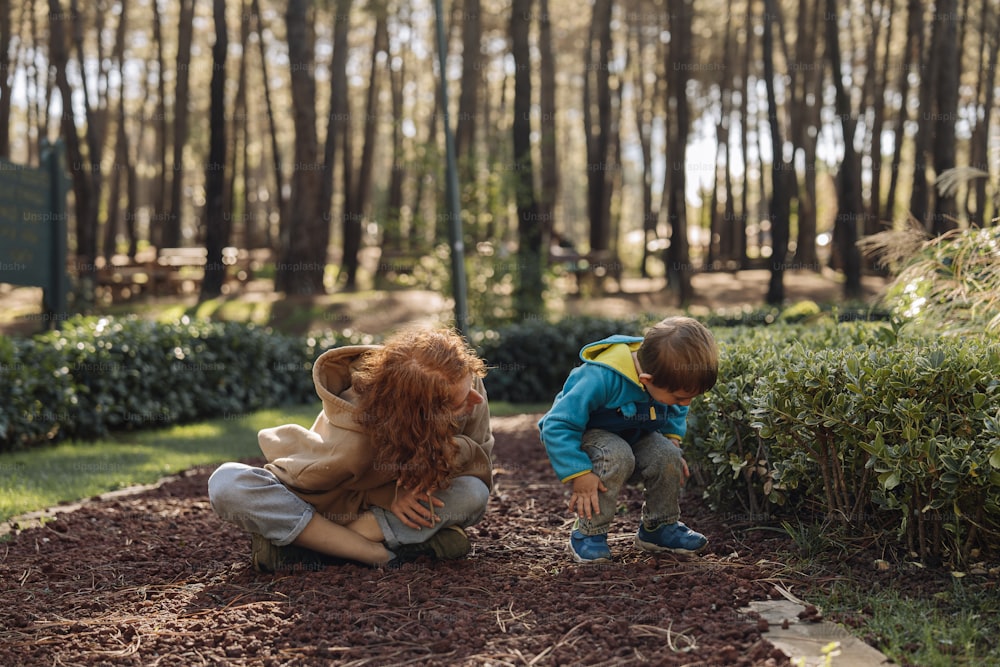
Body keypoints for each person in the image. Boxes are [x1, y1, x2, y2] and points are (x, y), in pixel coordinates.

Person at [208, 326, 494, 572]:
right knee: (227, 482)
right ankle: (373, 553)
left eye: (470, 384)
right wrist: (388, 495)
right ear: (419, 416)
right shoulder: (352, 440)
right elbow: (306, 489)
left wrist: (420, 478)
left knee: (472, 493)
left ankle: (308, 548)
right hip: (333, 502)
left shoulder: (464, 382)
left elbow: (478, 463)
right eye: (458, 402)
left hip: (383, 512)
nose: (475, 400)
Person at [538, 316, 718, 563]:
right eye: (679, 397)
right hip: (587, 437)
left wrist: (672, 441)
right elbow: (557, 424)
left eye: (691, 398)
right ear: (646, 381)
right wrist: (578, 472)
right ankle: (589, 534)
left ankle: (659, 528)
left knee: (667, 454)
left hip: (634, 434)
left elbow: (676, 411)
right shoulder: (600, 377)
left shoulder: (668, 378)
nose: (685, 404)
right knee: (617, 453)